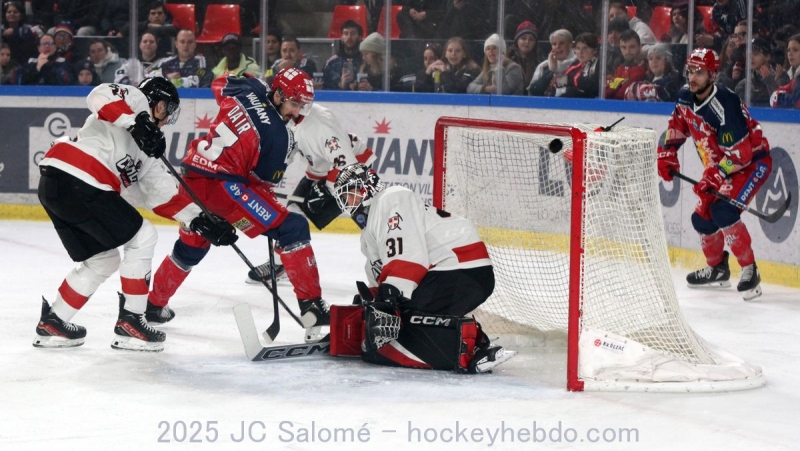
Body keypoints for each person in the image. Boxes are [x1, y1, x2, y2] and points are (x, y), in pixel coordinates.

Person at [34, 77, 238, 351]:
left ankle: (54, 321)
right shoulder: (136, 98)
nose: (166, 121)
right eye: (168, 112)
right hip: (80, 176)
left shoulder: (150, 150)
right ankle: (131, 322)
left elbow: (162, 194)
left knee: (103, 260)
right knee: (143, 237)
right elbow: (98, 95)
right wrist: (137, 122)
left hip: (55, 185)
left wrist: (200, 220)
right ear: (160, 104)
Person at [147, 69, 330, 339]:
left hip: (191, 182)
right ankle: (312, 305)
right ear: (278, 94)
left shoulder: (248, 88)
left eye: (302, 106)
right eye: (294, 103)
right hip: (223, 189)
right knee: (292, 228)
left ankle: (153, 305)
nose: (297, 112)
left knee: (192, 246)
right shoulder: (281, 137)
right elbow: (260, 182)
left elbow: (219, 81)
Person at [329, 163, 515, 374]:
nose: (347, 203)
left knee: (401, 324)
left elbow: (409, 257)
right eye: (343, 199)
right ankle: (473, 340)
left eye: (349, 194)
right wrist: (367, 305)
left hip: (461, 268)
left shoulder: (392, 197)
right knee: (392, 322)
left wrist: (389, 297)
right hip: (447, 272)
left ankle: (470, 352)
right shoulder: (369, 233)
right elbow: (382, 277)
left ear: (366, 186)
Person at [656, 48, 771, 301]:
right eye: (690, 71)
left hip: (752, 163)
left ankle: (750, 270)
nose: (693, 77)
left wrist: (717, 175)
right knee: (703, 221)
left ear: (713, 74)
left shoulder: (725, 104)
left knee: (723, 211)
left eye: (700, 72)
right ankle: (718, 269)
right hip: (723, 167)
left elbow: (741, 154)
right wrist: (667, 152)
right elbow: (677, 126)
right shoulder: (686, 96)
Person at [245, 101, 376, 283]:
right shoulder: (287, 120)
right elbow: (283, 156)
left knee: (370, 224)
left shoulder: (319, 124)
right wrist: (259, 181)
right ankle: (278, 264)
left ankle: (388, 267)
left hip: (352, 171)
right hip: (320, 171)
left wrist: (328, 191)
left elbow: (347, 164)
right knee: (291, 215)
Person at [527, 29, 574, 97]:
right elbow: (533, 91)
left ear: (570, 46)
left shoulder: (577, 64)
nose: (557, 46)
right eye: (554, 44)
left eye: (561, 43)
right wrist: (551, 71)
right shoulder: (543, 66)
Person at [735, 38, 779, 107]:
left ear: (767, 56)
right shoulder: (743, 85)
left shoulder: (779, 78)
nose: (751, 57)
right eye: (748, 54)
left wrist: (769, 81)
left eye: (755, 54)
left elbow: (780, 104)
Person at [321, 20, 363, 91]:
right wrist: (341, 86)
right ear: (342, 37)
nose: (349, 37)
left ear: (359, 37)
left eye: (353, 33)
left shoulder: (366, 61)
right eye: (346, 34)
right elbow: (324, 89)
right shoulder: (332, 62)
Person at [562, 32, 600, 98]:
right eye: (578, 48)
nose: (580, 52)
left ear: (595, 50)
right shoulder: (575, 63)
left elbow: (592, 88)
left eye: (585, 48)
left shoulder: (599, 65)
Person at [771, 33, 800, 108]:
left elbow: (797, 102)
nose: (790, 53)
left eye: (795, 50)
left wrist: (779, 98)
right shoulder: (792, 75)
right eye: (788, 50)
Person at [507, 20, 539, 89]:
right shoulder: (507, 58)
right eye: (523, 38)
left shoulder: (539, 62)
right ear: (517, 40)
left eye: (531, 39)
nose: (527, 42)